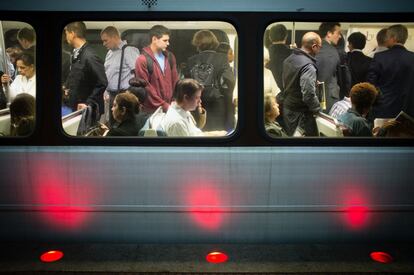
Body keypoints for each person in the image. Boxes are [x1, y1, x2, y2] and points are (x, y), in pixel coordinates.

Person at [185, 30, 235, 131]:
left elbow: (186, 85)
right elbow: (228, 82)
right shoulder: (222, 59)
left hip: (196, 105)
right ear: (214, 42)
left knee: (199, 134)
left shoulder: (191, 61)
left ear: (197, 43)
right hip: (217, 104)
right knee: (218, 135)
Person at [367, 24, 414, 118]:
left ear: (393, 38)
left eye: (387, 37)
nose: (386, 39)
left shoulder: (380, 57)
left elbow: (370, 84)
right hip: (408, 111)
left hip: (383, 110)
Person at [282, 32, 322, 136]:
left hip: (288, 108)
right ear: (314, 46)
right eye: (319, 47)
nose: (320, 50)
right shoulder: (308, 67)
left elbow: (290, 82)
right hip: (300, 114)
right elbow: (308, 95)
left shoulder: (289, 59)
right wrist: (318, 110)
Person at [64, 21, 108, 116]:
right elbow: (79, 77)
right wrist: (68, 87)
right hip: (76, 107)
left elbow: (102, 82)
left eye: (66, 33)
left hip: (87, 110)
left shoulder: (89, 56)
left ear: (72, 34)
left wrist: (88, 102)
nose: (65, 36)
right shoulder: (77, 54)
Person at [101, 26, 140, 126]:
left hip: (124, 95)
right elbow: (107, 74)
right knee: (111, 124)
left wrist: (130, 93)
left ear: (114, 37)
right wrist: (105, 91)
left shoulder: (129, 50)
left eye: (106, 40)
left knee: (124, 125)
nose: (103, 44)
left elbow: (138, 74)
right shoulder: (109, 53)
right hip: (111, 96)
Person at [135, 25, 179, 114]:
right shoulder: (142, 60)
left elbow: (175, 81)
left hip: (170, 108)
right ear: (154, 39)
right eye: (165, 40)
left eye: (168, 40)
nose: (168, 43)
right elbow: (146, 87)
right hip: (151, 111)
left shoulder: (170, 57)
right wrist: (165, 105)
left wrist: (174, 102)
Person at [161, 79, 226, 137]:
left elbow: (195, 133)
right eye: (197, 98)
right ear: (186, 98)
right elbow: (187, 149)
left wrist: (216, 134)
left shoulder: (184, 111)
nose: (200, 101)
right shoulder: (177, 123)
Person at [316, 22, 342, 112]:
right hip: (327, 100)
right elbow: (323, 81)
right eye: (338, 33)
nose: (340, 36)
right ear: (329, 34)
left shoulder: (318, 48)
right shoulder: (330, 52)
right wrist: (322, 107)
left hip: (321, 98)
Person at [267, 24, 292, 95]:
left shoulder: (265, 53)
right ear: (286, 36)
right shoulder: (293, 54)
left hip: (270, 96)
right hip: (288, 95)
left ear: (270, 37)